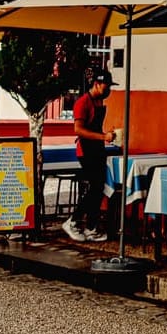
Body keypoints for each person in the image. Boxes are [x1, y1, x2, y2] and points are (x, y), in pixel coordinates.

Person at [65, 71, 116, 243]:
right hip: (86, 151)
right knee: (94, 187)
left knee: (99, 188)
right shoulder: (83, 103)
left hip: (98, 149)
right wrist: (103, 137)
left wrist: (107, 136)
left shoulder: (99, 101)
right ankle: (73, 221)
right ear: (96, 84)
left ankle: (91, 227)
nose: (108, 89)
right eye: (106, 86)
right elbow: (78, 129)